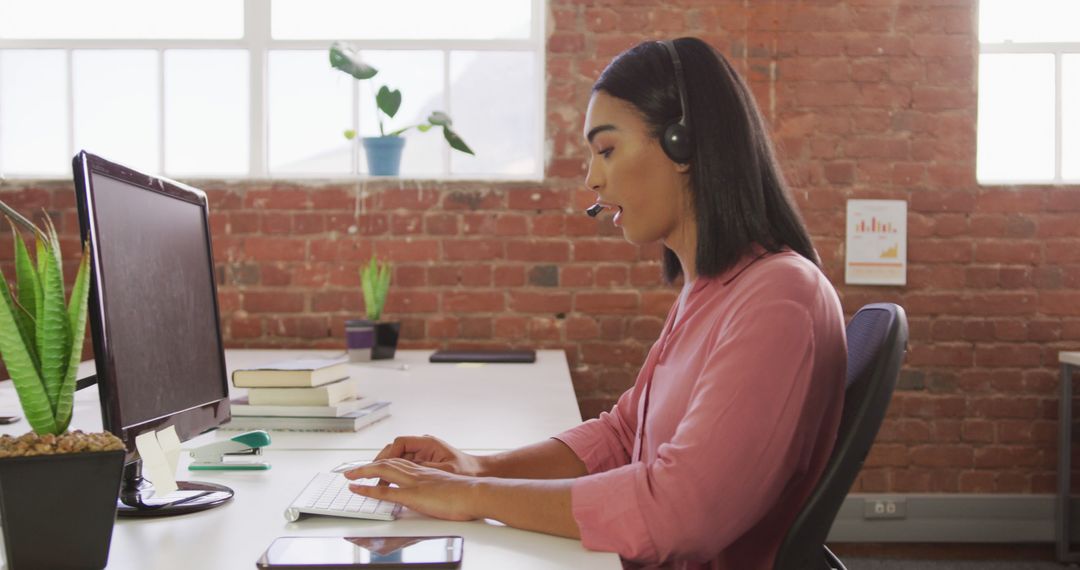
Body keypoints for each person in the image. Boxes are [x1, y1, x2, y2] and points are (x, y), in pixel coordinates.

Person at [341, 37, 847, 570]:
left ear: (684, 144)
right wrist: (476, 468)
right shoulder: (713, 290)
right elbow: (624, 434)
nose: (592, 176)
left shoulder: (778, 298)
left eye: (606, 150)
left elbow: (678, 513)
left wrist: (470, 499)